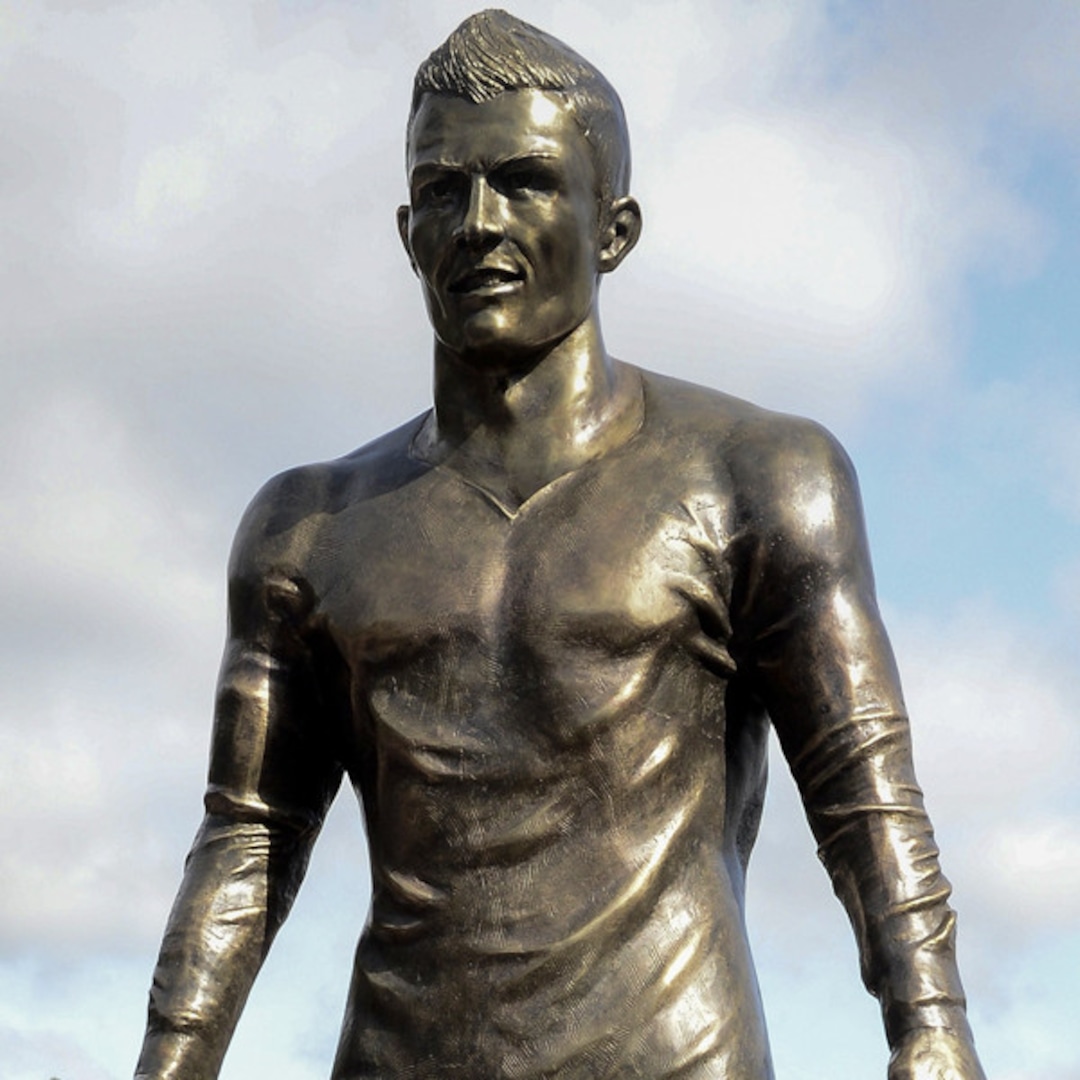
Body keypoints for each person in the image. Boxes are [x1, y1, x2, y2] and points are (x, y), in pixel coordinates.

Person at [135, 10, 985, 1079]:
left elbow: (861, 791)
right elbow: (248, 836)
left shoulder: (760, 477)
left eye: (525, 182)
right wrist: (168, 1062)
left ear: (614, 229)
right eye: (442, 190)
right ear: (407, 232)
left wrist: (932, 1028)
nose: (478, 223)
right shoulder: (304, 529)